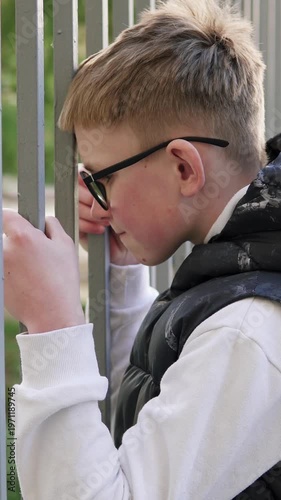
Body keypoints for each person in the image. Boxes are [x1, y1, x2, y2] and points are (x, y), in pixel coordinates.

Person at [3, 0, 281, 498]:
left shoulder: (248, 330)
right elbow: (158, 406)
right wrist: (125, 273)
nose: (95, 199)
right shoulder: (245, 262)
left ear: (183, 169)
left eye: (102, 177)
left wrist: (51, 323)